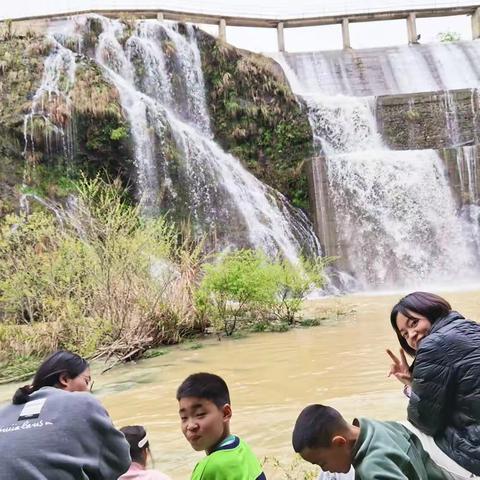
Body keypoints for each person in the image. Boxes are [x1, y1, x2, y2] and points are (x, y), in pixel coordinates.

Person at [388, 292, 480, 477]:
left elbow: (423, 421)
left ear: (431, 311)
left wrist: (411, 387)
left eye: (414, 323)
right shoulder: (472, 328)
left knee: (395, 435)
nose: (412, 335)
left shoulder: (433, 346)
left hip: (475, 451)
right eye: (404, 334)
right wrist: (412, 382)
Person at [0, 350, 131, 479]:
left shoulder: (4, 412)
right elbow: (121, 461)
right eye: (86, 381)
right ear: (65, 379)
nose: (88, 389)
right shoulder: (83, 401)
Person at [292, 404, 453, 480]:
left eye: (322, 463)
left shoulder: (373, 468)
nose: (325, 470)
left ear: (340, 442)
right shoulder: (379, 427)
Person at [177, 372, 266, 480]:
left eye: (199, 414)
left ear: (225, 413)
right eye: (184, 417)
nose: (190, 426)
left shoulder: (209, 468)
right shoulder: (241, 447)